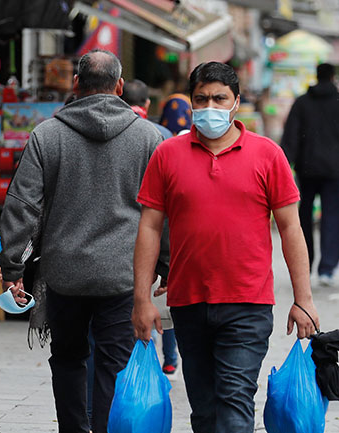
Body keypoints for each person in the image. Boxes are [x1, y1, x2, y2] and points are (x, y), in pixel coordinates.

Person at [132, 61, 320, 433]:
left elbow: (291, 228)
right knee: (203, 410)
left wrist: (304, 300)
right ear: (190, 103)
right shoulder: (167, 155)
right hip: (188, 303)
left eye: (220, 98)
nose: (210, 107)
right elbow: (150, 228)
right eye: (201, 99)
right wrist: (141, 299)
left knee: (234, 402)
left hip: (247, 303)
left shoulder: (268, 155)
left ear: (236, 102)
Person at [0, 49, 166, 433]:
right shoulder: (148, 138)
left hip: (64, 274)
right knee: (114, 363)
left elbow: (23, 206)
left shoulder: (47, 134)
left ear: (76, 84)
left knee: (69, 358)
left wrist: (12, 266)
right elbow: (163, 209)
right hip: (123, 275)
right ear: (120, 87)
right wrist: (166, 264)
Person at [120, 79, 180, 375]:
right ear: (147, 105)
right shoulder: (165, 136)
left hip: (122, 239)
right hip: (155, 236)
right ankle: (169, 356)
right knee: (161, 298)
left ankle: (141, 349)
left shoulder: (116, 133)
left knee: (135, 300)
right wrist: (167, 263)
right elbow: (166, 206)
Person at [281, 63, 339, 286]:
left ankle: (306, 262)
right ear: (333, 77)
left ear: (316, 77)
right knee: (332, 215)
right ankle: (327, 268)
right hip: (335, 171)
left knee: (303, 216)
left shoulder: (302, 102)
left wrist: (286, 164)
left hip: (307, 169)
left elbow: (291, 136)